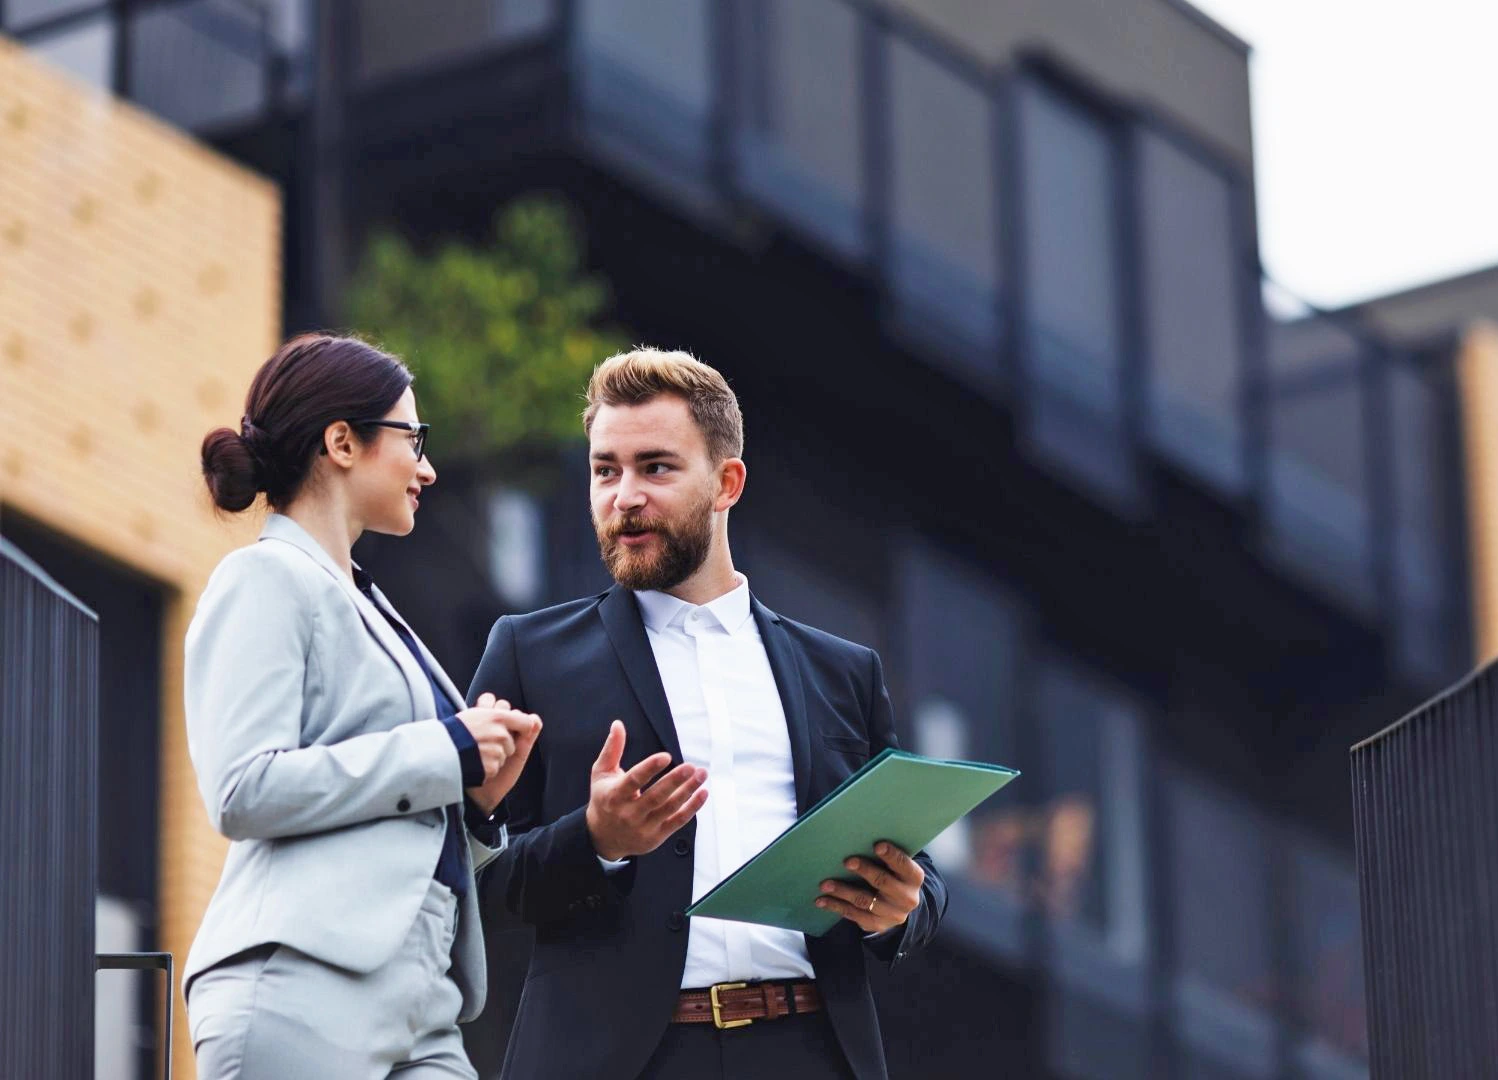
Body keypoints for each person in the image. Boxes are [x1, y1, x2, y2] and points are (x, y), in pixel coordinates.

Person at [470, 348, 945, 1080]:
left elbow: (917, 870)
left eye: (655, 468)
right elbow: (465, 882)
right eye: (605, 470)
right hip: (618, 1061)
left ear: (727, 483)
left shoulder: (842, 673)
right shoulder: (529, 654)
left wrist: (903, 907)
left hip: (809, 1049)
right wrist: (594, 840)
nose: (624, 495)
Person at [183, 334, 543, 1079]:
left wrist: (474, 804)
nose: (429, 467)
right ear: (342, 442)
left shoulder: (370, 605)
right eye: (414, 438)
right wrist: (445, 752)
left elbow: (398, 827)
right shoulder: (264, 579)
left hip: (426, 1006)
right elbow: (241, 787)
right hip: (301, 988)